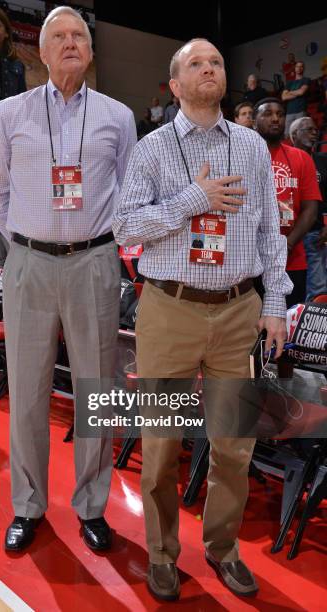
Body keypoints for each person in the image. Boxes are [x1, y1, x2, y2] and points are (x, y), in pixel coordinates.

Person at [113, 38, 292, 601]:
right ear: (175, 85)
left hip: (239, 309)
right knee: (161, 445)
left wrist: (275, 304)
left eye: (216, 61)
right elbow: (126, 228)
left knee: (233, 446)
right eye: (196, 63)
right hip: (169, 308)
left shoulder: (252, 147)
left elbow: (270, 232)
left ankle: (222, 547)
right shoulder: (151, 150)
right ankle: (162, 554)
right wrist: (195, 198)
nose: (210, 68)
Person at [0, 6, 137, 553]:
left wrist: (99, 245)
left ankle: (92, 507)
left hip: (94, 261)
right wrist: (26, 243)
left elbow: (127, 195)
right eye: (59, 36)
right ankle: (28, 506)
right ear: (41, 52)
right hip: (27, 262)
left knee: (97, 389)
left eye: (79, 35)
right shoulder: (9, 112)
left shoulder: (118, 116)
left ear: (90, 51)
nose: (70, 43)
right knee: (26, 391)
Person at [254, 98, 320, 307]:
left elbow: (311, 209)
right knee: (255, 331)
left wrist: (288, 244)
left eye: (280, 114)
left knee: (288, 326)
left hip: (292, 259)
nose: (275, 118)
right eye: (267, 114)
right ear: (254, 122)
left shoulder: (302, 158)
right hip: (251, 260)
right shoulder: (244, 158)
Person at [290, 116, 327, 299]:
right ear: (294, 134)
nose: (314, 133)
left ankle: (312, 326)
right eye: (309, 130)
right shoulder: (285, 159)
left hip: (316, 233)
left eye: (315, 130)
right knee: (292, 287)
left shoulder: (322, 160)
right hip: (289, 234)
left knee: (318, 289)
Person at [281, 61, 311, 138]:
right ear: (295, 68)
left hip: (300, 110)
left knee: (300, 135)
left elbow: (301, 92)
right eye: (297, 66)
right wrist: (296, 93)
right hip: (289, 112)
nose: (299, 68)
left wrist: (289, 93)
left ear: (303, 69)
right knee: (287, 135)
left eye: (301, 66)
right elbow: (284, 97)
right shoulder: (289, 83)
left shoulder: (306, 80)